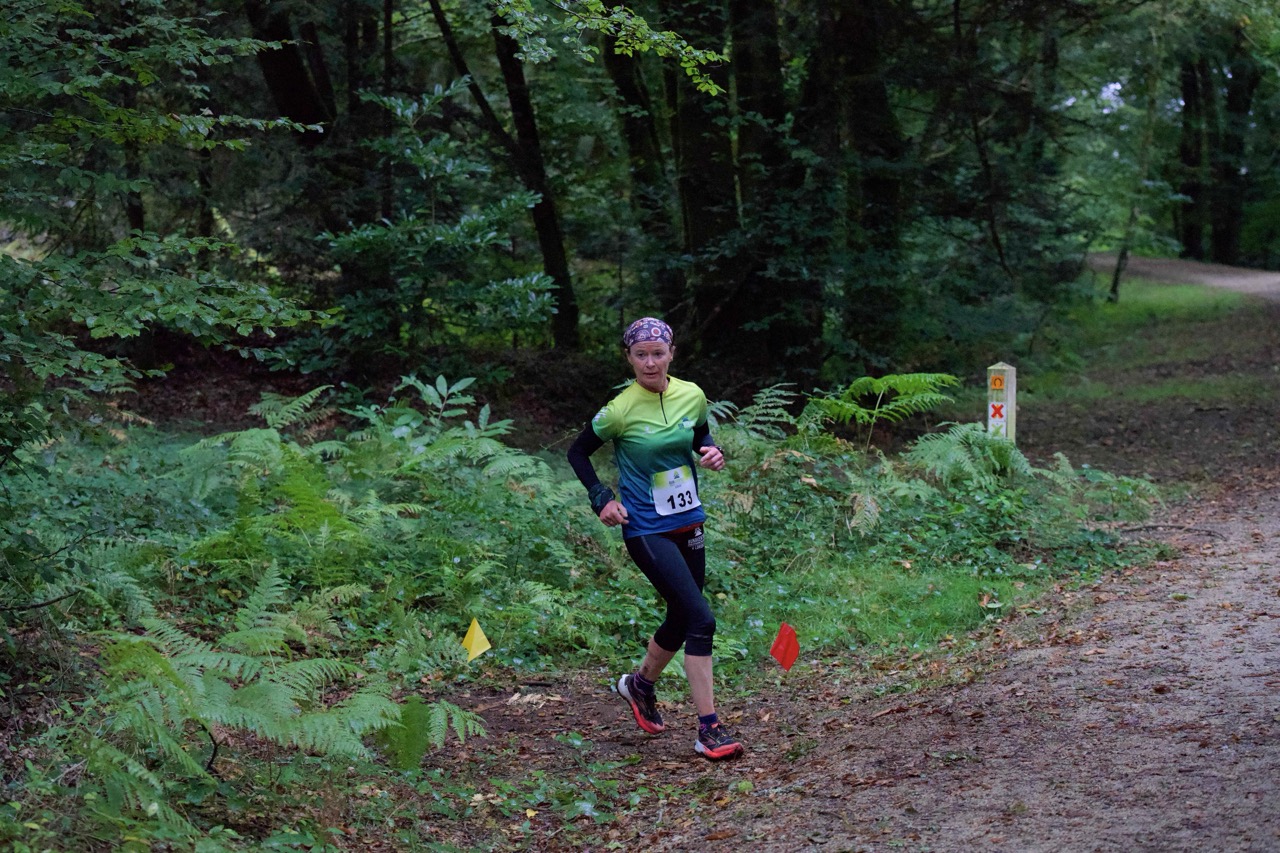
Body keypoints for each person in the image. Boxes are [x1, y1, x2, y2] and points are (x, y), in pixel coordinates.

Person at [566, 317, 744, 760]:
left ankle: (640, 685)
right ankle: (709, 729)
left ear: (671, 354)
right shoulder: (619, 410)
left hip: (689, 519)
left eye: (658, 353)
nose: (650, 362)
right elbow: (577, 452)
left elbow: (699, 433)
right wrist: (601, 498)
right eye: (641, 355)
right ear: (629, 358)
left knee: (683, 616)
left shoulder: (692, 394)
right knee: (701, 620)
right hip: (646, 527)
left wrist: (710, 450)